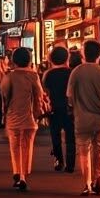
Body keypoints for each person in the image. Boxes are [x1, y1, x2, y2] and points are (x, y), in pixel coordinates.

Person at [67, 39, 100, 196]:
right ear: (99, 55)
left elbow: (69, 96)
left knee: (84, 151)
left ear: (83, 54)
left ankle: (87, 183)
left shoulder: (76, 72)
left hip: (82, 118)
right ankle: (98, 181)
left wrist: (74, 107)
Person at [0, 47, 45, 191]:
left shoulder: (10, 76)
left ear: (14, 60)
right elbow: (38, 96)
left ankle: (17, 172)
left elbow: (4, 95)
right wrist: (37, 114)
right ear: (29, 60)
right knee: (27, 145)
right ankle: (24, 175)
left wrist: (4, 111)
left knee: (15, 146)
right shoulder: (34, 76)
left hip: (13, 115)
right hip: (29, 116)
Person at [42, 45, 75, 174]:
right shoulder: (72, 73)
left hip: (53, 108)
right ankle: (70, 164)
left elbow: (45, 92)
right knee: (70, 136)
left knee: (55, 135)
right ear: (67, 58)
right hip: (69, 108)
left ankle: (58, 160)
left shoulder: (48, 74)